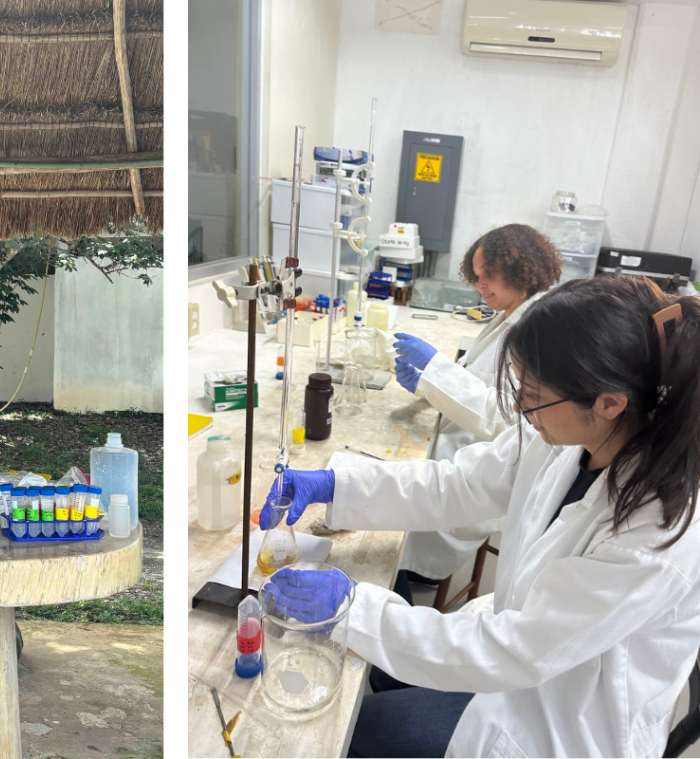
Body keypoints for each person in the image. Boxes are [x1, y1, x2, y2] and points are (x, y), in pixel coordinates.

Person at [260, 276, 700, 757]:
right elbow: (457, 484)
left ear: (609, 403)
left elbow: (516, 649)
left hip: (558, 719)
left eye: (533, 396)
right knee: (374, 673)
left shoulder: (660, 530)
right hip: (514, 657)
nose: (521, 409)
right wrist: (334, 485)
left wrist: (353, 605)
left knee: (352, 737)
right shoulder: (573, 434)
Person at [393, 224, 563, 584]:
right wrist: (428, 382)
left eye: (489, 274)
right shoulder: (509, 314)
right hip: (458, 449)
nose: (480, 284)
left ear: (520, 268)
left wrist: (436, 371)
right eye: (477, 275)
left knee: (391, 536)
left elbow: (505, 416)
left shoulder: (535, 328)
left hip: (479, 475)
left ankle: (406, 579)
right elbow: (477, 381)